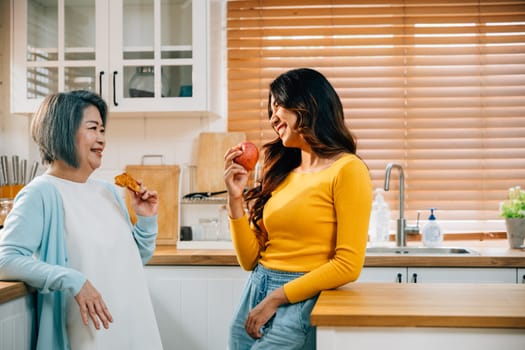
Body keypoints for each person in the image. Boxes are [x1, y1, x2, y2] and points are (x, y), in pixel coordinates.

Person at [0, 90, 163, 350]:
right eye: (93, 128)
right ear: (63, 130)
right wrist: (72, 279)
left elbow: (136, 257)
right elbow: (5, 261)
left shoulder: (108, 191)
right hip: (87, 336)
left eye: (103, 130)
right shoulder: (40, 193)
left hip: (134, 327)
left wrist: (145, 220)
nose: (102, 140)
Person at [223, 68, 373, 349]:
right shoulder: (282, 171)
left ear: (306, 105)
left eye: (276, 106)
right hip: (256, 289)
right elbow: (250, 260)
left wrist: (277, 298)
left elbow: (348, 266)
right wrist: (235, 199)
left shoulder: (348, 170)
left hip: (297, 299)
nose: (272, 118)